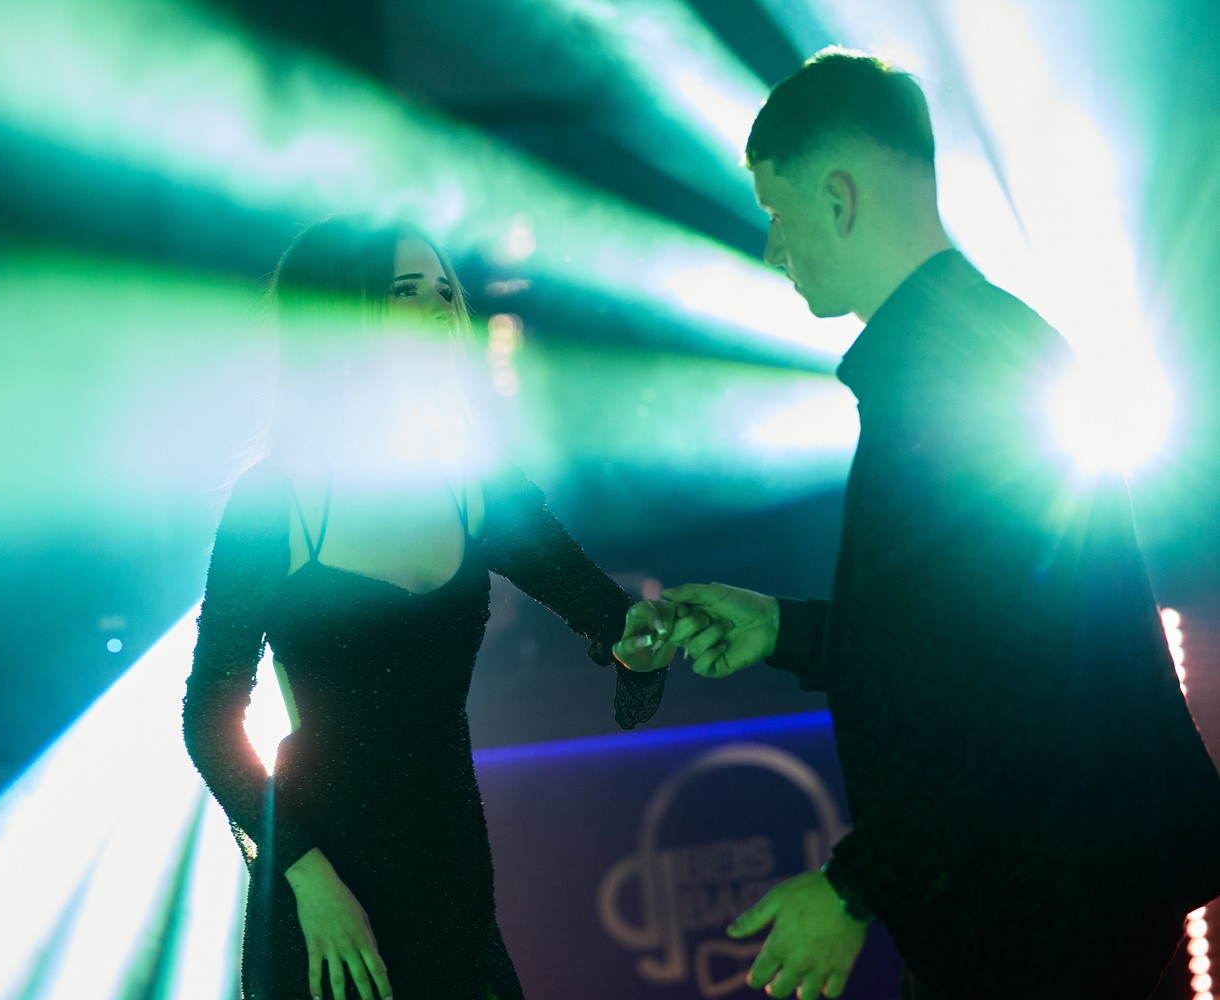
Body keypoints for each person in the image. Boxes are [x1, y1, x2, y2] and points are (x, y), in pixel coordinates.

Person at [617, 49, 1220, 1000]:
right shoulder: (971, 352)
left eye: (777, 212)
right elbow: (960, 639)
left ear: (838, 199)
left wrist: (857, 886)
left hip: (1038, 922)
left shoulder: (952, 380)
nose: (772, 248)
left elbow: (1010, 683)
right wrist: (784, 628)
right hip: (1044, 907)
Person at [182, 217, 672, 1000]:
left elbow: (608, 615)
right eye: (407, 291)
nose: (440, 309)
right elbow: (210, 716)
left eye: (446, 291)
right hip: (321, 882)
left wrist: (643, 642)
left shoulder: (474, 481)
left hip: (448, 865)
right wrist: (307, 878)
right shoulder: (274, 502)